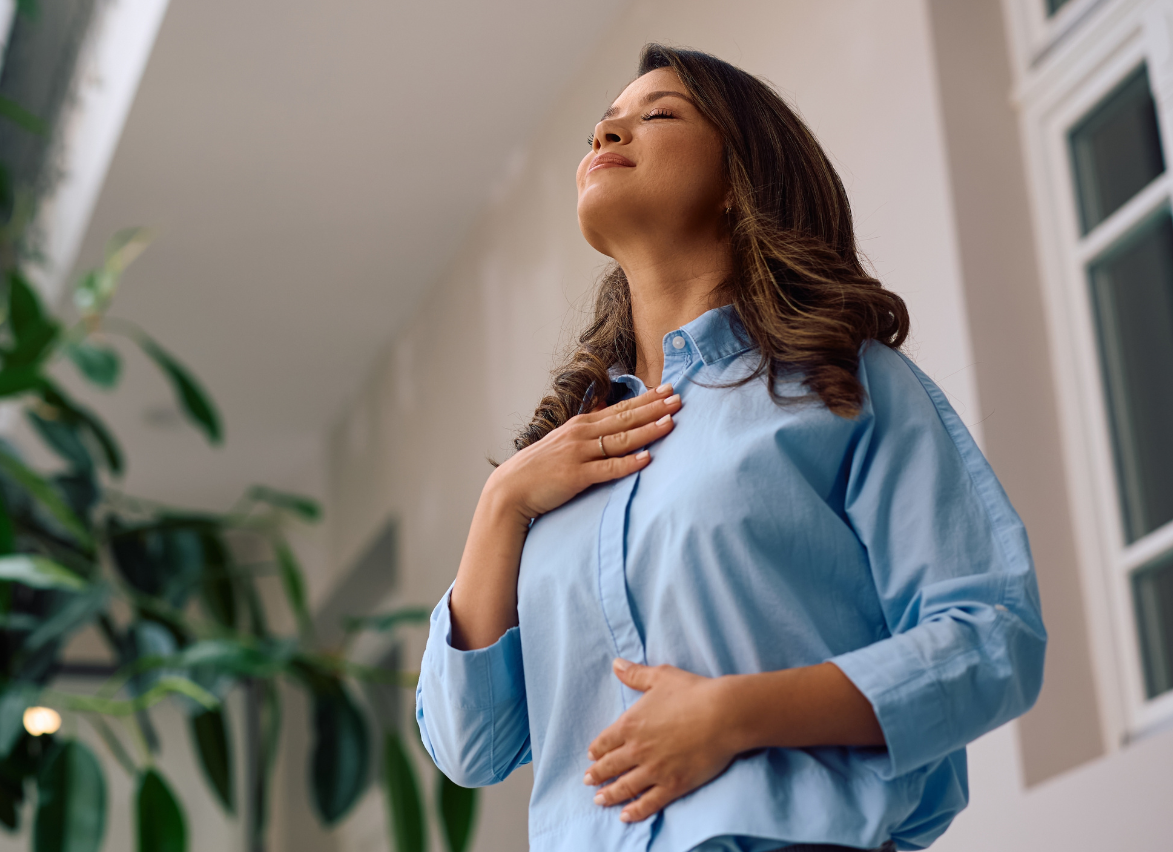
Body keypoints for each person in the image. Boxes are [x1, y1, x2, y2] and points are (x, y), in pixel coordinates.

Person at [414, 44, 1046, 852]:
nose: (606, 131)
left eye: (658, 113)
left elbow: (994, 635)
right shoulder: (559, 463)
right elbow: (471, 747)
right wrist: (502, 504)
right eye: (600, 123)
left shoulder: (844, 386)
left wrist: (733, 716)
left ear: (737, 185)